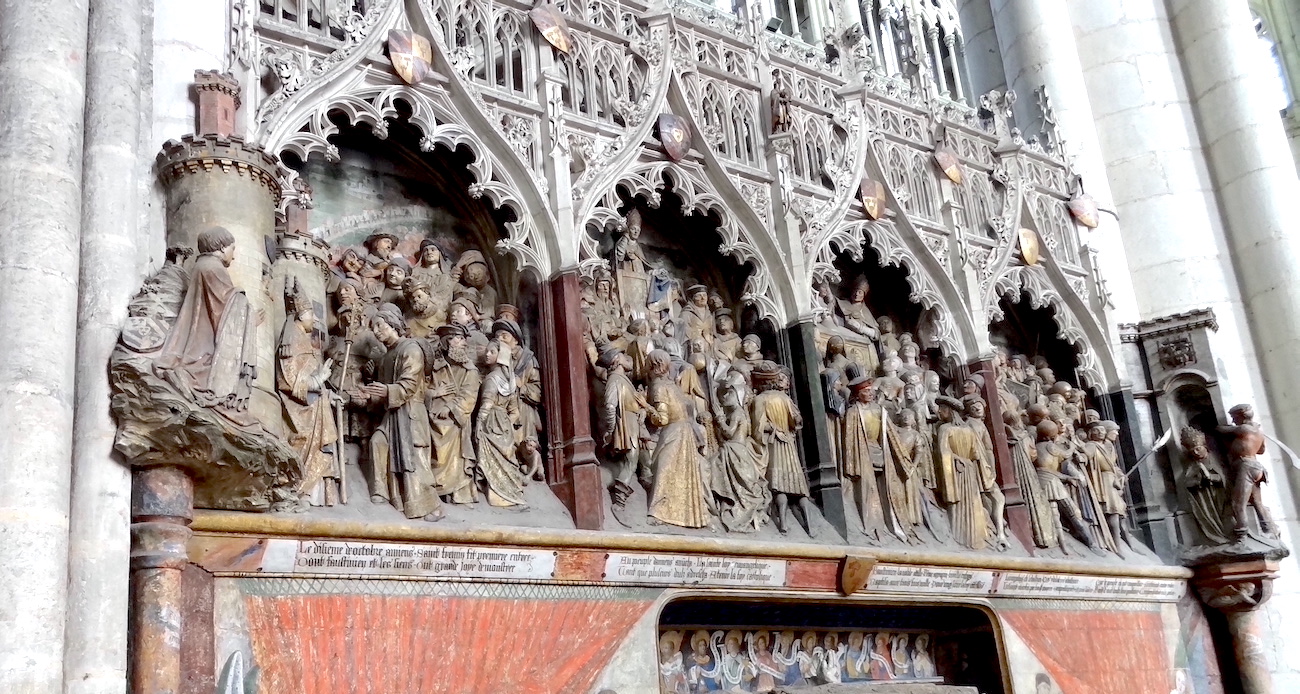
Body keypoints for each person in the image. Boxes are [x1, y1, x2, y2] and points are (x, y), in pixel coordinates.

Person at [350, 305, 443, 521]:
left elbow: (409, 386)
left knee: (414, 461)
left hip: (410, 412)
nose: (376, 331)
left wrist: (386, 391)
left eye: (380, 325)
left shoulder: (411, 349)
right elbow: (381, 393)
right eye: (374, 328)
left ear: (393, 324)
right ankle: (383, 492)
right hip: (392, 415)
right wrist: (367, 397)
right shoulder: (386, 356)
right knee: (377, 442)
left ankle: (432, 506)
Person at [154, 226, 257, 423]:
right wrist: (248, 314)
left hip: (200, 328)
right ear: (220, 247)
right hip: (204, 340)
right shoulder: (213, 268)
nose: (233, 256)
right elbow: (226, 303)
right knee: (201, 366)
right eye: (232, 249)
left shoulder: (203, 265)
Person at [276, 281, 339, 507]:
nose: (314, 319)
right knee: (302, 445)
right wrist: (317, 380)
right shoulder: (291, 339)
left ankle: (312, 496)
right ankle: (299, 490)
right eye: (311, 314)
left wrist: (328, 393)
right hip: (302, 411)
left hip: (315, 407)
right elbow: (288, 379)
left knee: (318, 450)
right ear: (301, 315)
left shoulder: (302, 339)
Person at [646, 350, 713, 528]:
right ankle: (690, 516)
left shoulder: (659, 386)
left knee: (664, 470)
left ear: (653, 366)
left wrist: (645, 406)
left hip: (673, 432)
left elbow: (662, 419)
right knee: (683, 473)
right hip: (686, 432)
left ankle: (659, 513)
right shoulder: (673, 385)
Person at [753, 362, 817, 535]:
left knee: (779, 486)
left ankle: (783, 524)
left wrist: (772, 429)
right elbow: (796, 420)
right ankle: (809, 526)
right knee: (799, 488)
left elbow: (757, 428)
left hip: (774, 445)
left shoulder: (760, 399)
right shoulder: (785, 398)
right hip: (789, 445)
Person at [426, 323, 480, 504]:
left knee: (452, 435)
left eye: (463, 339)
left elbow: (469, 394)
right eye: (458, 339)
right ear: (446, 342)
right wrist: (434, 394)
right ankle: (433, 486)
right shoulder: (434, 367)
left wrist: (449, 407)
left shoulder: (469, 370)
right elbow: (421, 389)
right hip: (432, 416)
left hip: (455, 420)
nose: (463, 343)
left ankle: (457, 490)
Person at [474, 340, 529, 507]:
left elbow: (487, 404)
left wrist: (478, 424)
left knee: (491, 459)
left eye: (492, 352)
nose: (487, 354)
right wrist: (506, 424)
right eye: (487, 351)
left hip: (490, 421)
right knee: (506, 459)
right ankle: (511, 493)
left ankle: (497, 495)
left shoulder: (491, 379)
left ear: (501, 356)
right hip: (504, 425)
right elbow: (515, 412)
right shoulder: (511, 382)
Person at [600, 347, 650, 525]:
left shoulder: (624, 380)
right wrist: (611, 428)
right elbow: (610, 405)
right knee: (632, 458)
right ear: (616, 361)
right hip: (626, 424)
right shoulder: (615, 380)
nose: (627, 357)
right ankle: (619, 503)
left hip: (634, 424)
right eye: (622, 355)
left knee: (641, 460)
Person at [1218, 403, 1280, 538]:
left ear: (1242, 416)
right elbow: (1262, 450)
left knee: (1238, 503)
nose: (1233, 421)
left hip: (1245, 466)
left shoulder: (1244, 428)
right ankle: (1271, 530)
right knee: (1257, 501)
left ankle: (1242, 536)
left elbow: (1221, 430)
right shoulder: (1258, 431)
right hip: (1256, 466)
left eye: (1234, 417)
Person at [841, 376, 886, 540]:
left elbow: (888, 433)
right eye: (866, 391)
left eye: (871, 390)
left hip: (880, 451)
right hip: (862, 452)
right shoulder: (853, 412)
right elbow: (850, 439)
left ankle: (884, 522)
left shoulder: (879, 410)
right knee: (867, 488)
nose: (870, 393)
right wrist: (851, 464)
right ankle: (872, 522)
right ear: (858, 394)